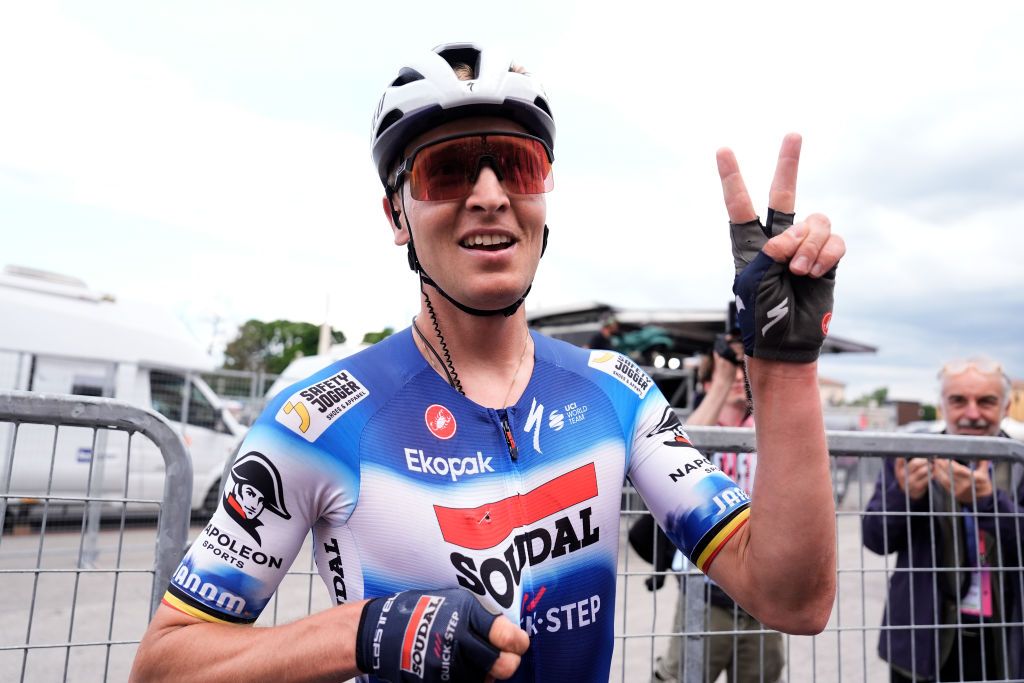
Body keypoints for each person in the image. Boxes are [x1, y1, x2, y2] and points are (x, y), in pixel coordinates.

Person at [132, 43, 845, 682]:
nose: (489, 195)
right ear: (396, 216)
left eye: (517, 165)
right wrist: (361, 633)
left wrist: (784, 369)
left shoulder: (616, 391)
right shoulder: (318, 419)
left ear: (542, 196)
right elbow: (164, 663)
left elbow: (793, 597)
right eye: (446, 172)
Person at [862, 357, 1024, 682]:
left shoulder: (1019, 460)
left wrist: (988, 504)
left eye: (986, 401)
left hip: (1004, 637)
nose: (973, 413)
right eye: (959, 400)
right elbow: (876, 539)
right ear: (942, 406)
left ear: (1006, 406)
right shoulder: (910, 455)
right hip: (923, 637)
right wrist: (904, 495)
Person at [651, 336, 784, 683]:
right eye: (730, 371)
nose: (740, 376)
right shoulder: (703, 419)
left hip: (762, 593)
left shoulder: (765, 426)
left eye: (744, 371)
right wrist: (722, 381)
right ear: (709, 383)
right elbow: (676, 450)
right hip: (705, 591)